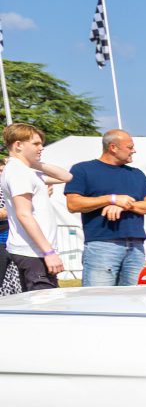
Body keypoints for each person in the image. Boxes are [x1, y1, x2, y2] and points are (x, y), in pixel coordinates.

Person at [65, 130, 146, 286]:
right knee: (98, 301)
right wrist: (111, 199)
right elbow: (73, 204)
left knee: (136, 301)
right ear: (113, 147)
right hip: (102, 246)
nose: (134, 151)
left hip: (136, 248)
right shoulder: (83, 170)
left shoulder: (136, 174)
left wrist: (124, 206)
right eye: (130, 147)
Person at [1, 123, 74, 293]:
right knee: (45, 307)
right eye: (35, 144)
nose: (41, 148)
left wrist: (35, 163)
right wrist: (48, 253)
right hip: (33, 252)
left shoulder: (24, 170)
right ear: (18, 145)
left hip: (33, 251)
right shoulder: (19, 173)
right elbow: (24, 214)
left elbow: (66, 176)